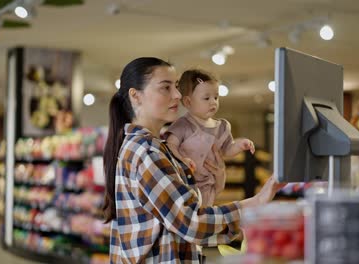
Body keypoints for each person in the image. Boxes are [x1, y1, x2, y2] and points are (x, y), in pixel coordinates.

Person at [103, 57, 284, 263]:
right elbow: (190, 222)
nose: (178, 95)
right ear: (136, 96)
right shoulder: (146, 151)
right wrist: (255, 203)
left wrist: (235, 227)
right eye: (166, 88)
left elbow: (176, 228)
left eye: (177, 87)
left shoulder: (159, 148)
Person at [165, 69, 255, 207]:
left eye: (216, 97)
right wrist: (182, 160)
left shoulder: (222, 126)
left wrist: (240, 144)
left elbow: (227, 150)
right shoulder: (183, 124)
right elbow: (170, 145)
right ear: (188, 102)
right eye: (206, 98)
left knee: (205, 214)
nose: (213, 102)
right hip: (185, 182)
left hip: (209, 185)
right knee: (190, 215)